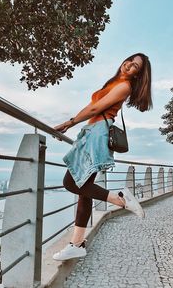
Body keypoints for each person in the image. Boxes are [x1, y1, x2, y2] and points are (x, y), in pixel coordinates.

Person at [53, 53, 152, 261]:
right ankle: (77, 244)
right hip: (92, 132)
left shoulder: (125, 86)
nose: (129, 65)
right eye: (129, 60)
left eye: (135, 66)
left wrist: (69, 122)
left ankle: (120, 199)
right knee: (83, 190)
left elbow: (96, 108)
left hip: (96, 134)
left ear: (138, 75)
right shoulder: (115, 81)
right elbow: (95, 107)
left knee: (70, 183)